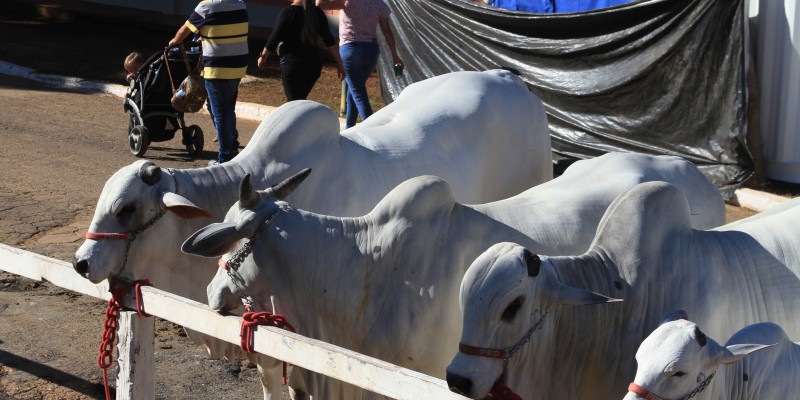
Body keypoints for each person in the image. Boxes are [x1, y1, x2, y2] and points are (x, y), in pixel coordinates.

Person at [169, 0, 248, 165]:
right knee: (226, 108)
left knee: (220, 113)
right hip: (238, 66)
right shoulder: (240, 4)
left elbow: (184, 31)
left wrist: (174, 42)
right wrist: (207, 35)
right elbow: (226, 27)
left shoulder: (206, 6)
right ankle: (232, 144)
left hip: (218, 68)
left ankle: (225, 157)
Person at [317, 0, 403, 128]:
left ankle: (373, 130)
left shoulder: (347, 1)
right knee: (354, 89)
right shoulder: (379, 4)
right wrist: (395, 56)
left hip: (351, 50)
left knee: (359, 94)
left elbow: (320, 4)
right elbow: (387, 31)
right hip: (371, 51)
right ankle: (349, 128)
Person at [258, 0, 345, 101]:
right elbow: (329, 41)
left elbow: (274, 39)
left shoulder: (288, 12)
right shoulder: (317, 13)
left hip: (292, 65)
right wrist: (339, 63)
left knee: (294, 103)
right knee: (299, 100)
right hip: (313, 66)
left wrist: (263, 57)